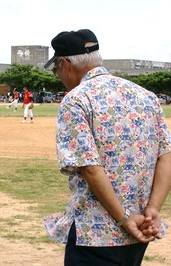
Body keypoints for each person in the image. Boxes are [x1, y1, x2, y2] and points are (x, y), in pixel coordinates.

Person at [42, 29, 171, 265]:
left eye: (56, 68)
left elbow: (90, 168)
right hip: (140, 229)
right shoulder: (146, 96)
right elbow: (166, 156)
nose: (57, 74)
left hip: (95, 232)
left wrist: (124, 218)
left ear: (65, 63)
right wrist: (152, 209)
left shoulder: (77, 99)